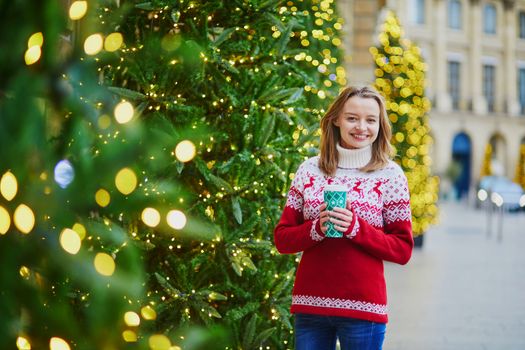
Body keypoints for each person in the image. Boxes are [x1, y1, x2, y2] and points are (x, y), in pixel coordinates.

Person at [274, 85, 413, 350]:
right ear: (336, 120)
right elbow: (282, 239)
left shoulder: (390, 176)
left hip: (364, 310)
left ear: (380, 125)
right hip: (311, 305)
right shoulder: (309, 170)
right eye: (352, 118)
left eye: (370, 120)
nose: (362, 127)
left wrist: (355, 228)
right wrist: (317, 228)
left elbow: (402, 249)